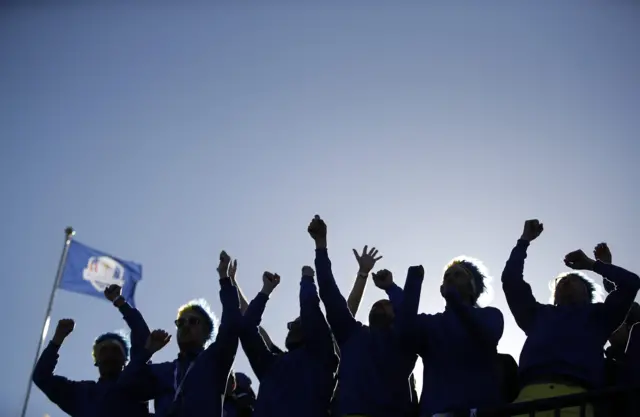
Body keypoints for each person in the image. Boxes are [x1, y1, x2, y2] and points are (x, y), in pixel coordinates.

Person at [501, 220, 640, 417]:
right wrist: (524, 241)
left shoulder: (599, 316)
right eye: (561, 281)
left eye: (574, 280)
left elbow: (631, 283)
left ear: (588, 294)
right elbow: (511, 280)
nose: (566, 281)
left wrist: (593, 265)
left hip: (578, 404)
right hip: (527, 403)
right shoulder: (536, 315)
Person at [310, 215, 417, 417]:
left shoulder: (405, 340)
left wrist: (391, 287)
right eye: (376, 304)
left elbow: (409, 311)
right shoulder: (352, 334)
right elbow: (329, 293)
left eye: (387, 305)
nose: (379, 305)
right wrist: (320, 245)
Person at [118, 251, 242, 417]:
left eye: (193, 321)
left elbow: (231, 324)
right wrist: (146, 352)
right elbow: (125, 387)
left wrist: (224, 278)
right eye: (180, 322)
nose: (185, 326)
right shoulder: (164, 371)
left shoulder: (215, 360)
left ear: (207, 332)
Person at [397, 257, 504, 416]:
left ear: (471, 288)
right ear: (441, 290)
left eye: (458, 275)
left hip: (480, 411)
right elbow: (404, 332)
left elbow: (486, 334)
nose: (450, 278)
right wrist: (413, 281)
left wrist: (456, 302)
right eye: (446, 276)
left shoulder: (491, 315)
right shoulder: (430, 323)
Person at [239, 266, 338, 417]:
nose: (291, 328)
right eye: (290, 325)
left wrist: (307, 280)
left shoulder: (321, 356)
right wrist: (265, 291)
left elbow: (310, 308)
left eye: (297, 323)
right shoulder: (270, 365)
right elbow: (247, 329)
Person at [32, 319, 149, 417]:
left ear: (125, 360)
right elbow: (41, 377)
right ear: (96, 361)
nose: (109, 355)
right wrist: (57, 340)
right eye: (103, 351)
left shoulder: (138, 382)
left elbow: (143, 338)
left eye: (115, 350)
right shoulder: (82, 394)